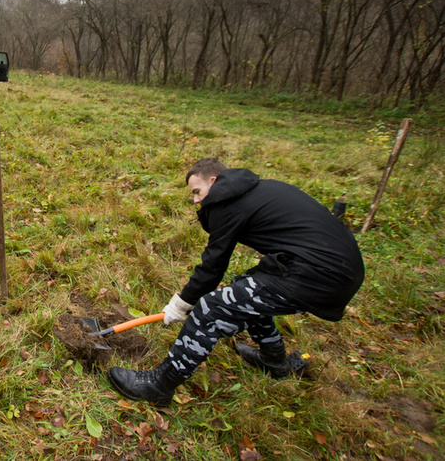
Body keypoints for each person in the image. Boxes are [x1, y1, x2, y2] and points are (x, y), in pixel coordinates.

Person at [107, 157, 365, 406]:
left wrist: (182, 303)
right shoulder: (255, 190)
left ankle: (159, 385)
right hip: (334, 269)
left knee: (212, 308)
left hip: (319, 274)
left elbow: (213, 265)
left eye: (198, 191)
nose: (196, 200)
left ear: (214, 180)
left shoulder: (226, 201)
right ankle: (274, 360)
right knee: (246, 288)